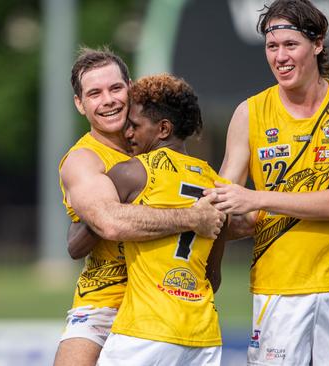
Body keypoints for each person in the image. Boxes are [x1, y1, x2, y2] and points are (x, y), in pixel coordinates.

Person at [205, 0, 329, 364]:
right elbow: (224, 203)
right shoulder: (249, 113)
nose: (280, 57)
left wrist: (256, 200)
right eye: (272, 47)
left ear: (317, 44)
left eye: (290, 45)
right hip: (277, 289)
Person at [54, 47, 225, 366]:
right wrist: (193, 217)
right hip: (103, 304)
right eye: (94, 93)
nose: (108, 99)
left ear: (129, 88)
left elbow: (233, 224)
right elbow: (104, 226)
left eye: (115, 88)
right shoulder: (84, 159)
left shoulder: (162, 150)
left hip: (167, 305)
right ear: (80, 104)